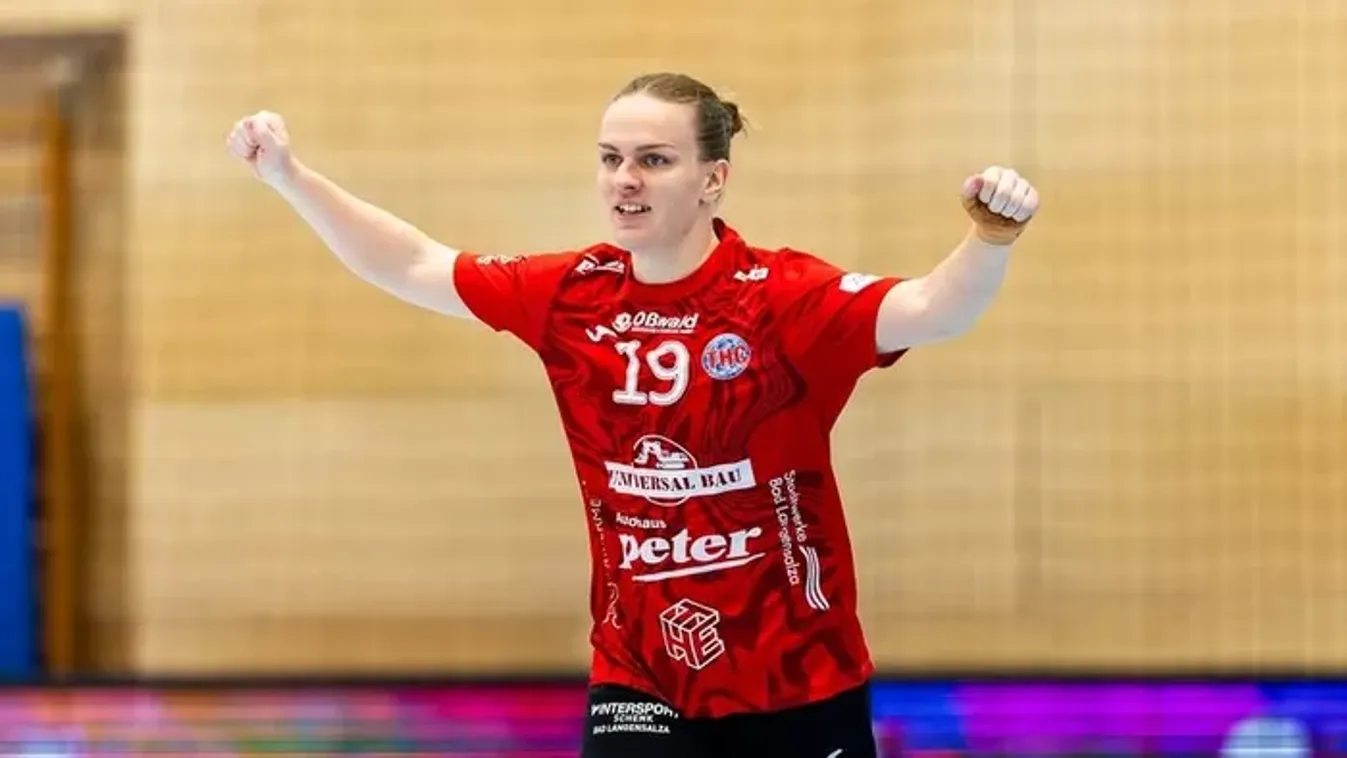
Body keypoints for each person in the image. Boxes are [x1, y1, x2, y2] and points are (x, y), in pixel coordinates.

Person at [226, 71, 1039, 758]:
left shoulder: (785, 298)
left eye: (654, 160)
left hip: (798, 677)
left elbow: (933, 309)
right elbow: (412, 262)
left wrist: (989, 239)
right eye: (611, 158)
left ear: (712, 179)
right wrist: (290, 178)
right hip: (638, 677)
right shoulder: (569, 295)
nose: (624, 179)